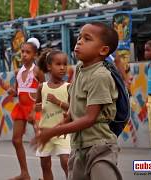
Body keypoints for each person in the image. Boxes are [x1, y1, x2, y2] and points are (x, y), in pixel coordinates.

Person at [32, 22, 122, 180]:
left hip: (99, 147)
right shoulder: (81, 69)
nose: (79, 41)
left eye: (87, 39)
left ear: (103, 50)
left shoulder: (100, 75)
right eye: (79, 37)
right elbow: (75, 110)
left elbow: (89, 118)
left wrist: (53, 131)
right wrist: (59, 126)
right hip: (78, 147)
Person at [8, 38, 45, 180]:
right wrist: (12, 91)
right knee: (16, 140)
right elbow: (18, 91)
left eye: (28, 52)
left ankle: (45, 174)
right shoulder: (18, 71)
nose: (24, 55)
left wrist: (35, 110)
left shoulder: (37, 71)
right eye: (22, 51)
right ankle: (24, 173)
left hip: (34, 108)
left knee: (41, 140)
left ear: (35, 55)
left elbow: (43, 90)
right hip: (21, 108)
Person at [35, 49, 70, 180]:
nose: (62, 68)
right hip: (45, 131)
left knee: (66, 162)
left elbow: (73, 108)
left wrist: (58, 102)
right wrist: (36, 108)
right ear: (49, 66)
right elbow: (37, 107)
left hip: (63, 131)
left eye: (65, 64)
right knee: (45, 164)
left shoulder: (68, 87)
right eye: (58, 64)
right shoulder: (42, 87)